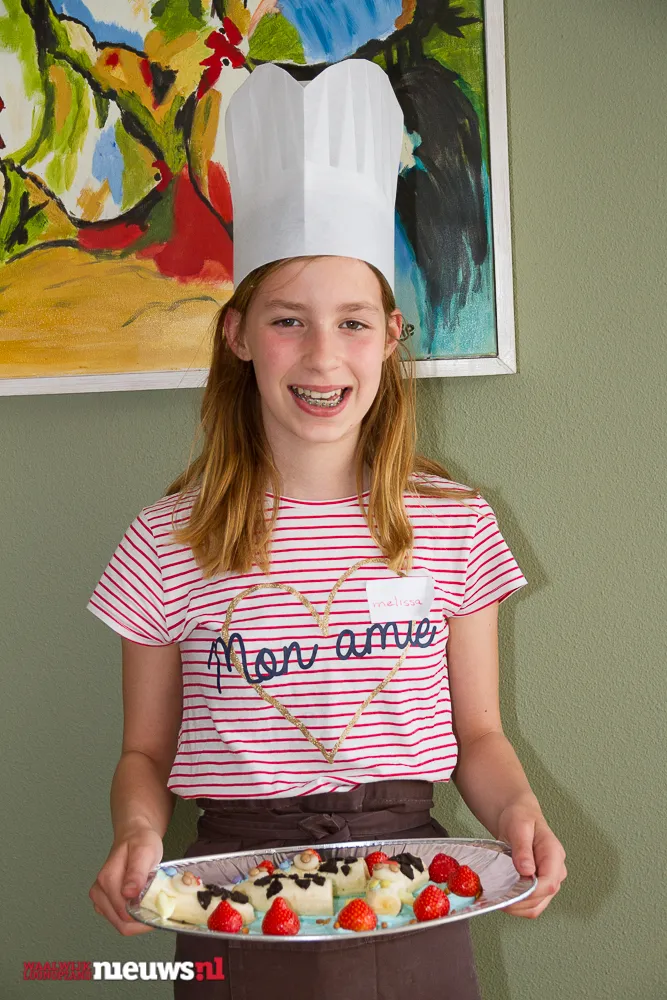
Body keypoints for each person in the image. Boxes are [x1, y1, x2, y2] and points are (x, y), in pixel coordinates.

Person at [86, 59, 566, 999]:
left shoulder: (456, 525)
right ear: (237, 335)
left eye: (351, 323)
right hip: (230, 896)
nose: (321, 356)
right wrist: (138, 831)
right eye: (287, 321)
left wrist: (519, 816)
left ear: (389, 335)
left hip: (413, 891)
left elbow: (478, 735)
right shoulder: (164, 541)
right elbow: (143, 752)